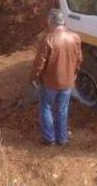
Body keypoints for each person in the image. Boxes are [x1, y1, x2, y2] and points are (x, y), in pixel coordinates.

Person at [31, 9, 83, 146]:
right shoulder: (75, 37)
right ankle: (62, 138)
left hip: (50, 82)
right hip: (68, 82)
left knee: (46, 107)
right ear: (63, 21)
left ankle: (49, 138)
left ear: (51, 22)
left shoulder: (47, 39)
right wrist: (73, 74)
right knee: (62, 109)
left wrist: (34, 77)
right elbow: (79, 59)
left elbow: (39, 63)